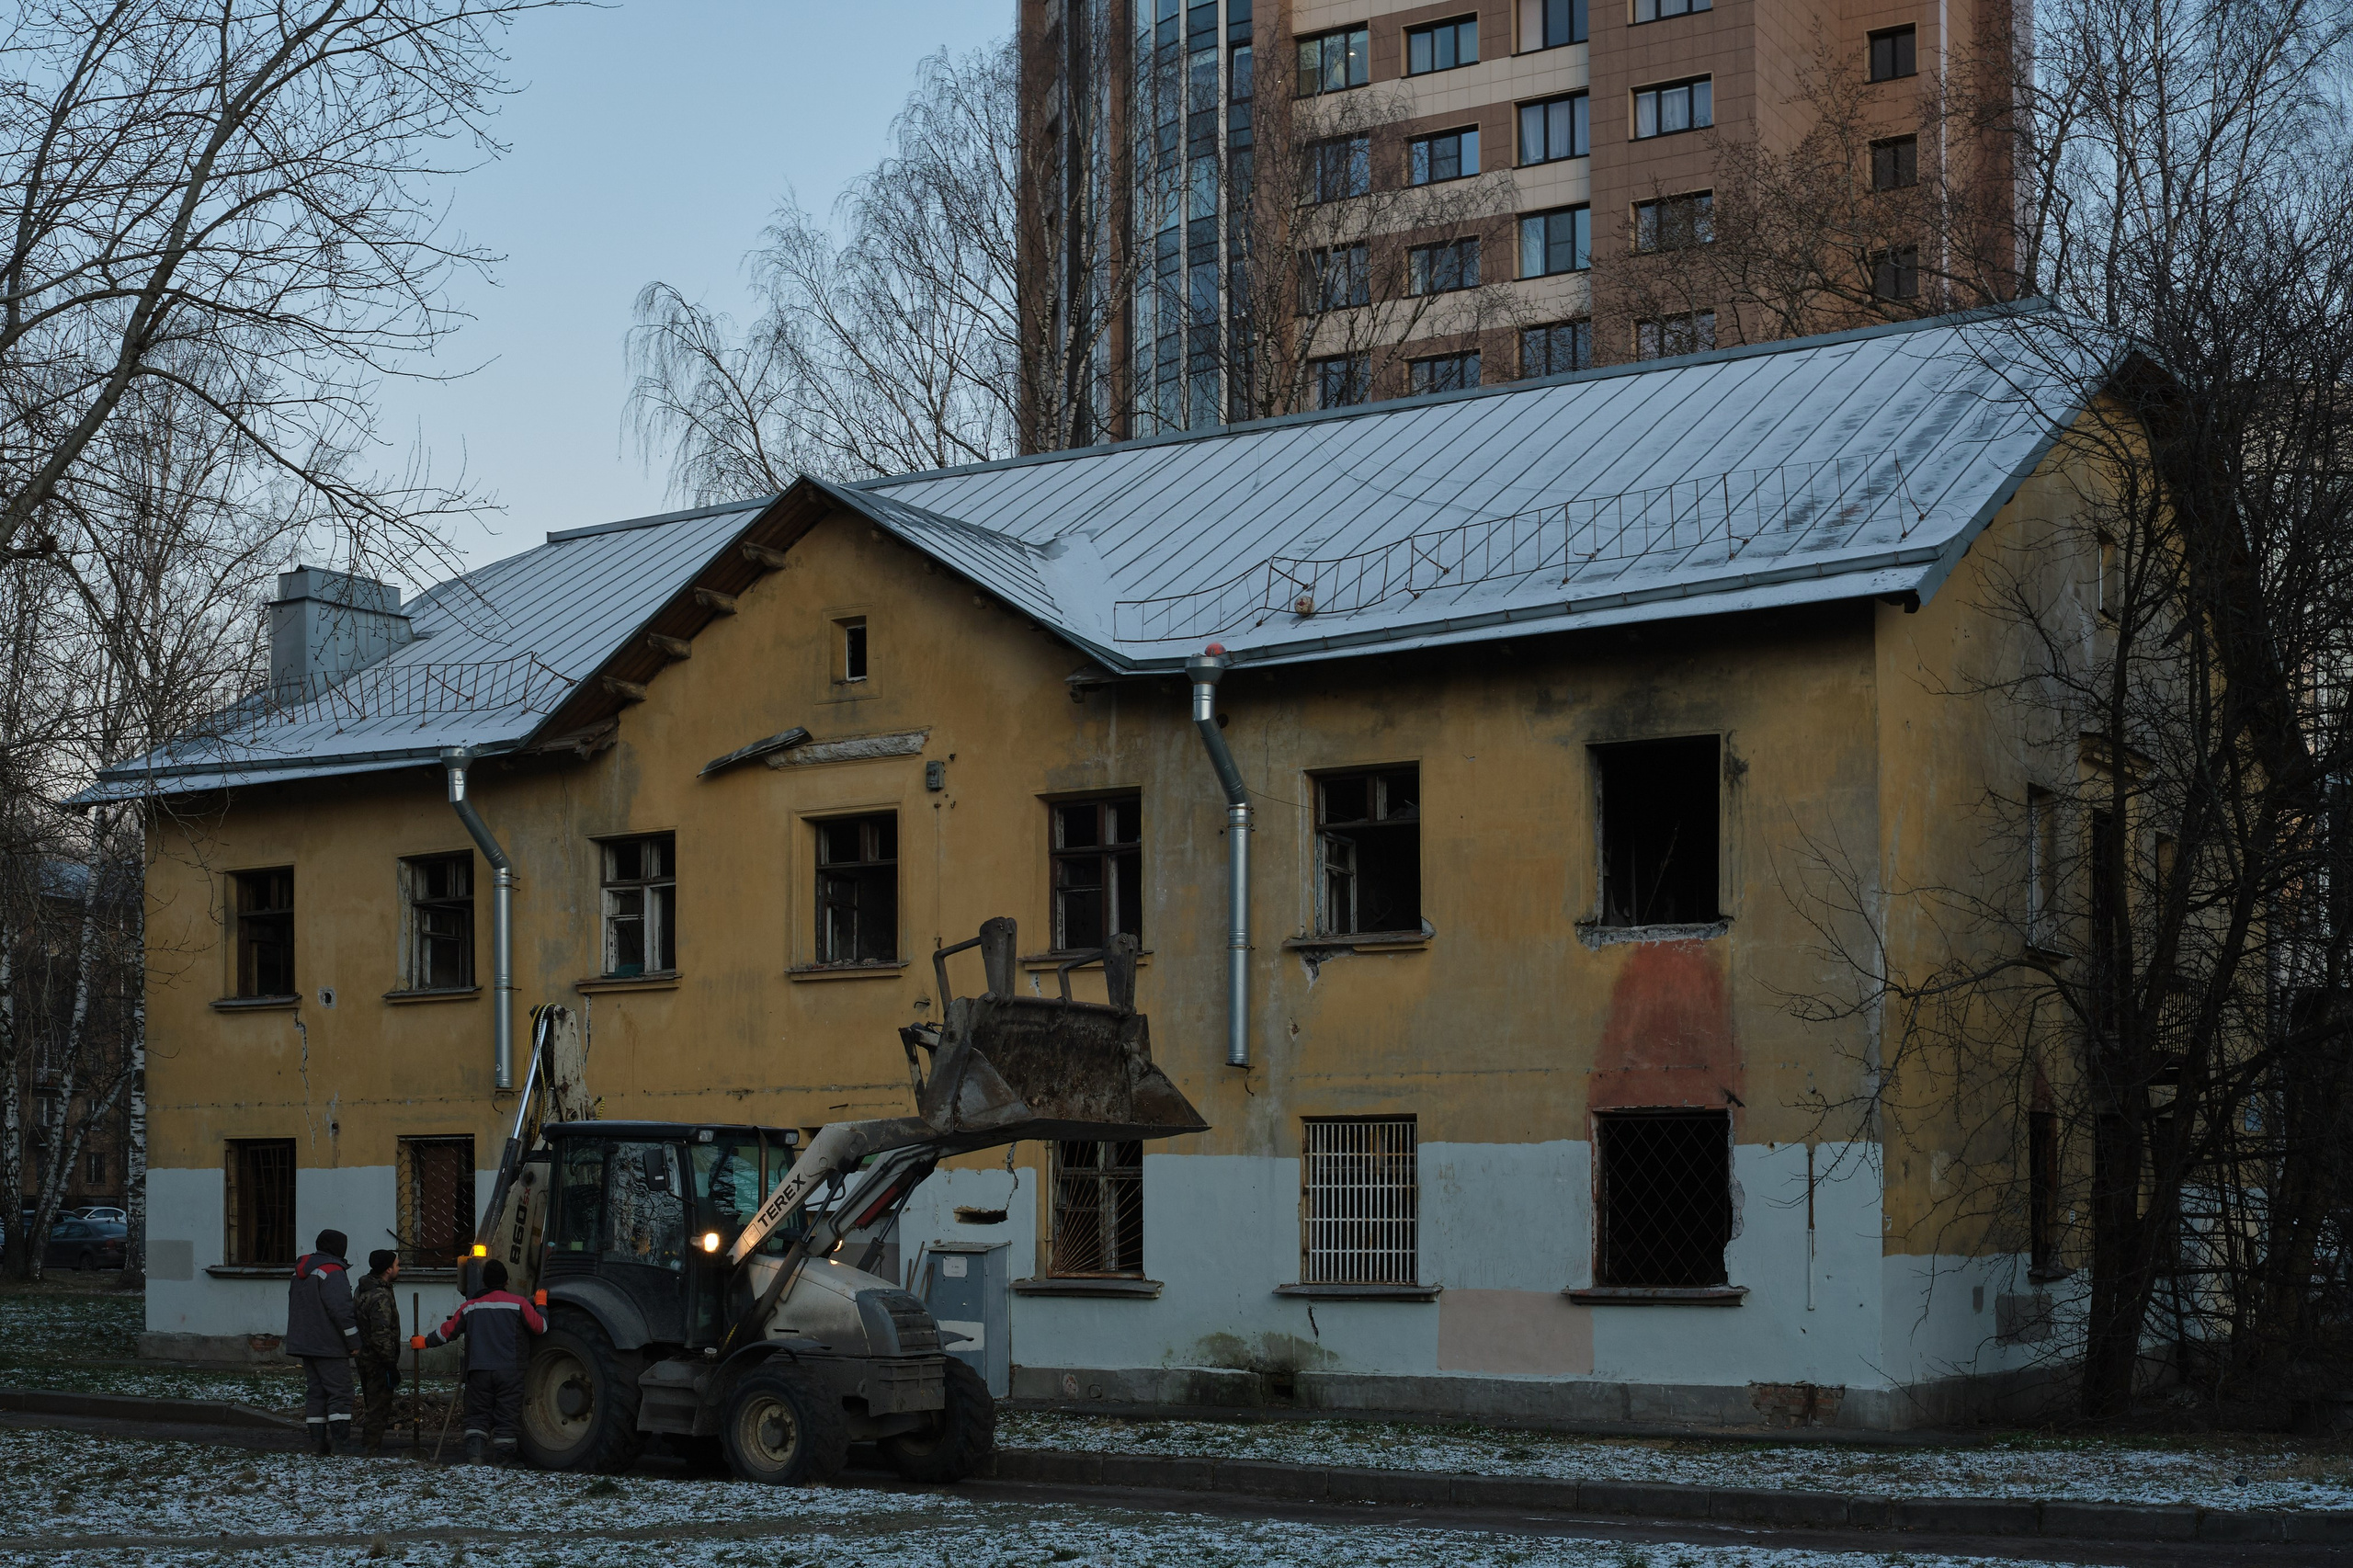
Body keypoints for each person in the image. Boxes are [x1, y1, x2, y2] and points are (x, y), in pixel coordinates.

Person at [414, 1258, 545, 1464]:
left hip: (478, 1371)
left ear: (484, 1282)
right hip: (510, 1371)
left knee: (477, 1415)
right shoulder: (519, 1304)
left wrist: (424, 1342)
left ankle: (475, 1455)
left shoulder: (470, 1307)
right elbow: (541, 1327)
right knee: (507, 1415)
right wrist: (542, 1305)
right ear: (506, 1281)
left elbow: (447, 1332)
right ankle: (503, 1459)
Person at [285, 1229, 360, 1455]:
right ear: (339, 1248)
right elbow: (342, 1311)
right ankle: (341, 1444)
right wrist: (354, 1341)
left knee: (316, 1392)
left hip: (305, 1342)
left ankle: (317, 1443)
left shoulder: (301, 1271)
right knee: (340, 1392)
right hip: (329, 1344)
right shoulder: (333, 1271)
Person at [353, 1250, 404, 1455]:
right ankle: (370, 1449)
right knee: (378, 1407)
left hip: (365, 1356)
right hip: (378, 1360)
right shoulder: (380, 1296)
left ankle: (370, 1446)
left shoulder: (363, 1289)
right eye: (397, 1265)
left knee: (372, 1403)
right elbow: (381, 1333)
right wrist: (390, 1363)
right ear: (388, 1269)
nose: (399, 1269)